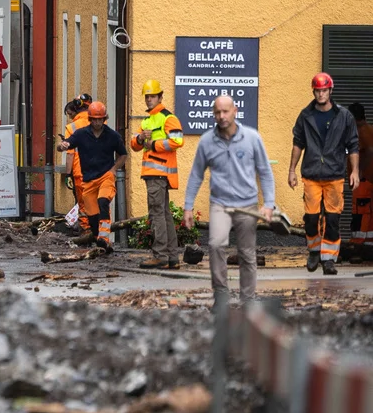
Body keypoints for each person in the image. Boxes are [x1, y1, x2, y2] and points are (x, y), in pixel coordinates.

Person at [183, 95, 275, 309]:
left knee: (246, 253)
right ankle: (222, 296)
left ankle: (248, 299)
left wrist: (269, 203)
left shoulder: (252, 138)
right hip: (220, 204)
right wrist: (188, 205)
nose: (221, 116)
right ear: (213, 114)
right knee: (215, 245)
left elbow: (265, 172)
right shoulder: (207, 141)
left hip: (247, 204)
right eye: (217, 112)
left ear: (235, 111)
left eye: (225, 111)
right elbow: (196, 174)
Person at [288, 73, 359, 275]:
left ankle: (328, 259)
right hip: (311, 174)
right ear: (314, 91)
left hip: (334, 175)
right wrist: (292, 170)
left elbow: (353, 145)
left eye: (324, 90)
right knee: (311, 218)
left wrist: (354, 171)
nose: (321, 94)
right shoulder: (305, 115)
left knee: (333, 219)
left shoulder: (344, 116)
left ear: (330, 91)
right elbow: (297, 144)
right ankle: (313, 251)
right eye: (318, 91)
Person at [56, 101, 126, 252]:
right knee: (92, 217)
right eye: (94, 119)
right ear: (90, 119)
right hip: (88, 180)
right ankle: (100, 241)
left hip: (106, 176)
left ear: (104, 119)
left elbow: (123, 155)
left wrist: (114, 169)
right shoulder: (81, 134)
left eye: (100, 119)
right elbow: (65, 144)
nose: (97, 122)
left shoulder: (112, 136)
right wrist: (62, 146)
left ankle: (104, 238)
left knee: (103, 201)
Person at [131, 79, 185, 270]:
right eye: (147, 97)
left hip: (158, 174)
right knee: (164, 215)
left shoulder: (167, 118)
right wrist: (140, 138)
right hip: (153, 174)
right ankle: (171, 257)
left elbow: (178, 141)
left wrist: (153, 144)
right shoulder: (147, 120)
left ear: (161, 96)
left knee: (157, 215)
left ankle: (160, 256)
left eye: (152, 96)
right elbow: (134, 145)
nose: (149, 100)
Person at [349, 102, 373, 255]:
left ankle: (358, 243)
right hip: (367, 180)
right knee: (368, 213)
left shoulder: (362, 131)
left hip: (364, 181)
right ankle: (368, 245)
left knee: (360, 211)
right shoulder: (369, 129)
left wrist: (359, 171)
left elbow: (370, 150)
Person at [61, 94, 92, 212]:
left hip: (81, 172)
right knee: (99, 206)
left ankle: (86, 230)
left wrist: (68, 174)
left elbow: (70, 154)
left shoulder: (72, 127)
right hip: (100, 171)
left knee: (83, 206)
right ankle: (101, 230)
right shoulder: (100, 123)